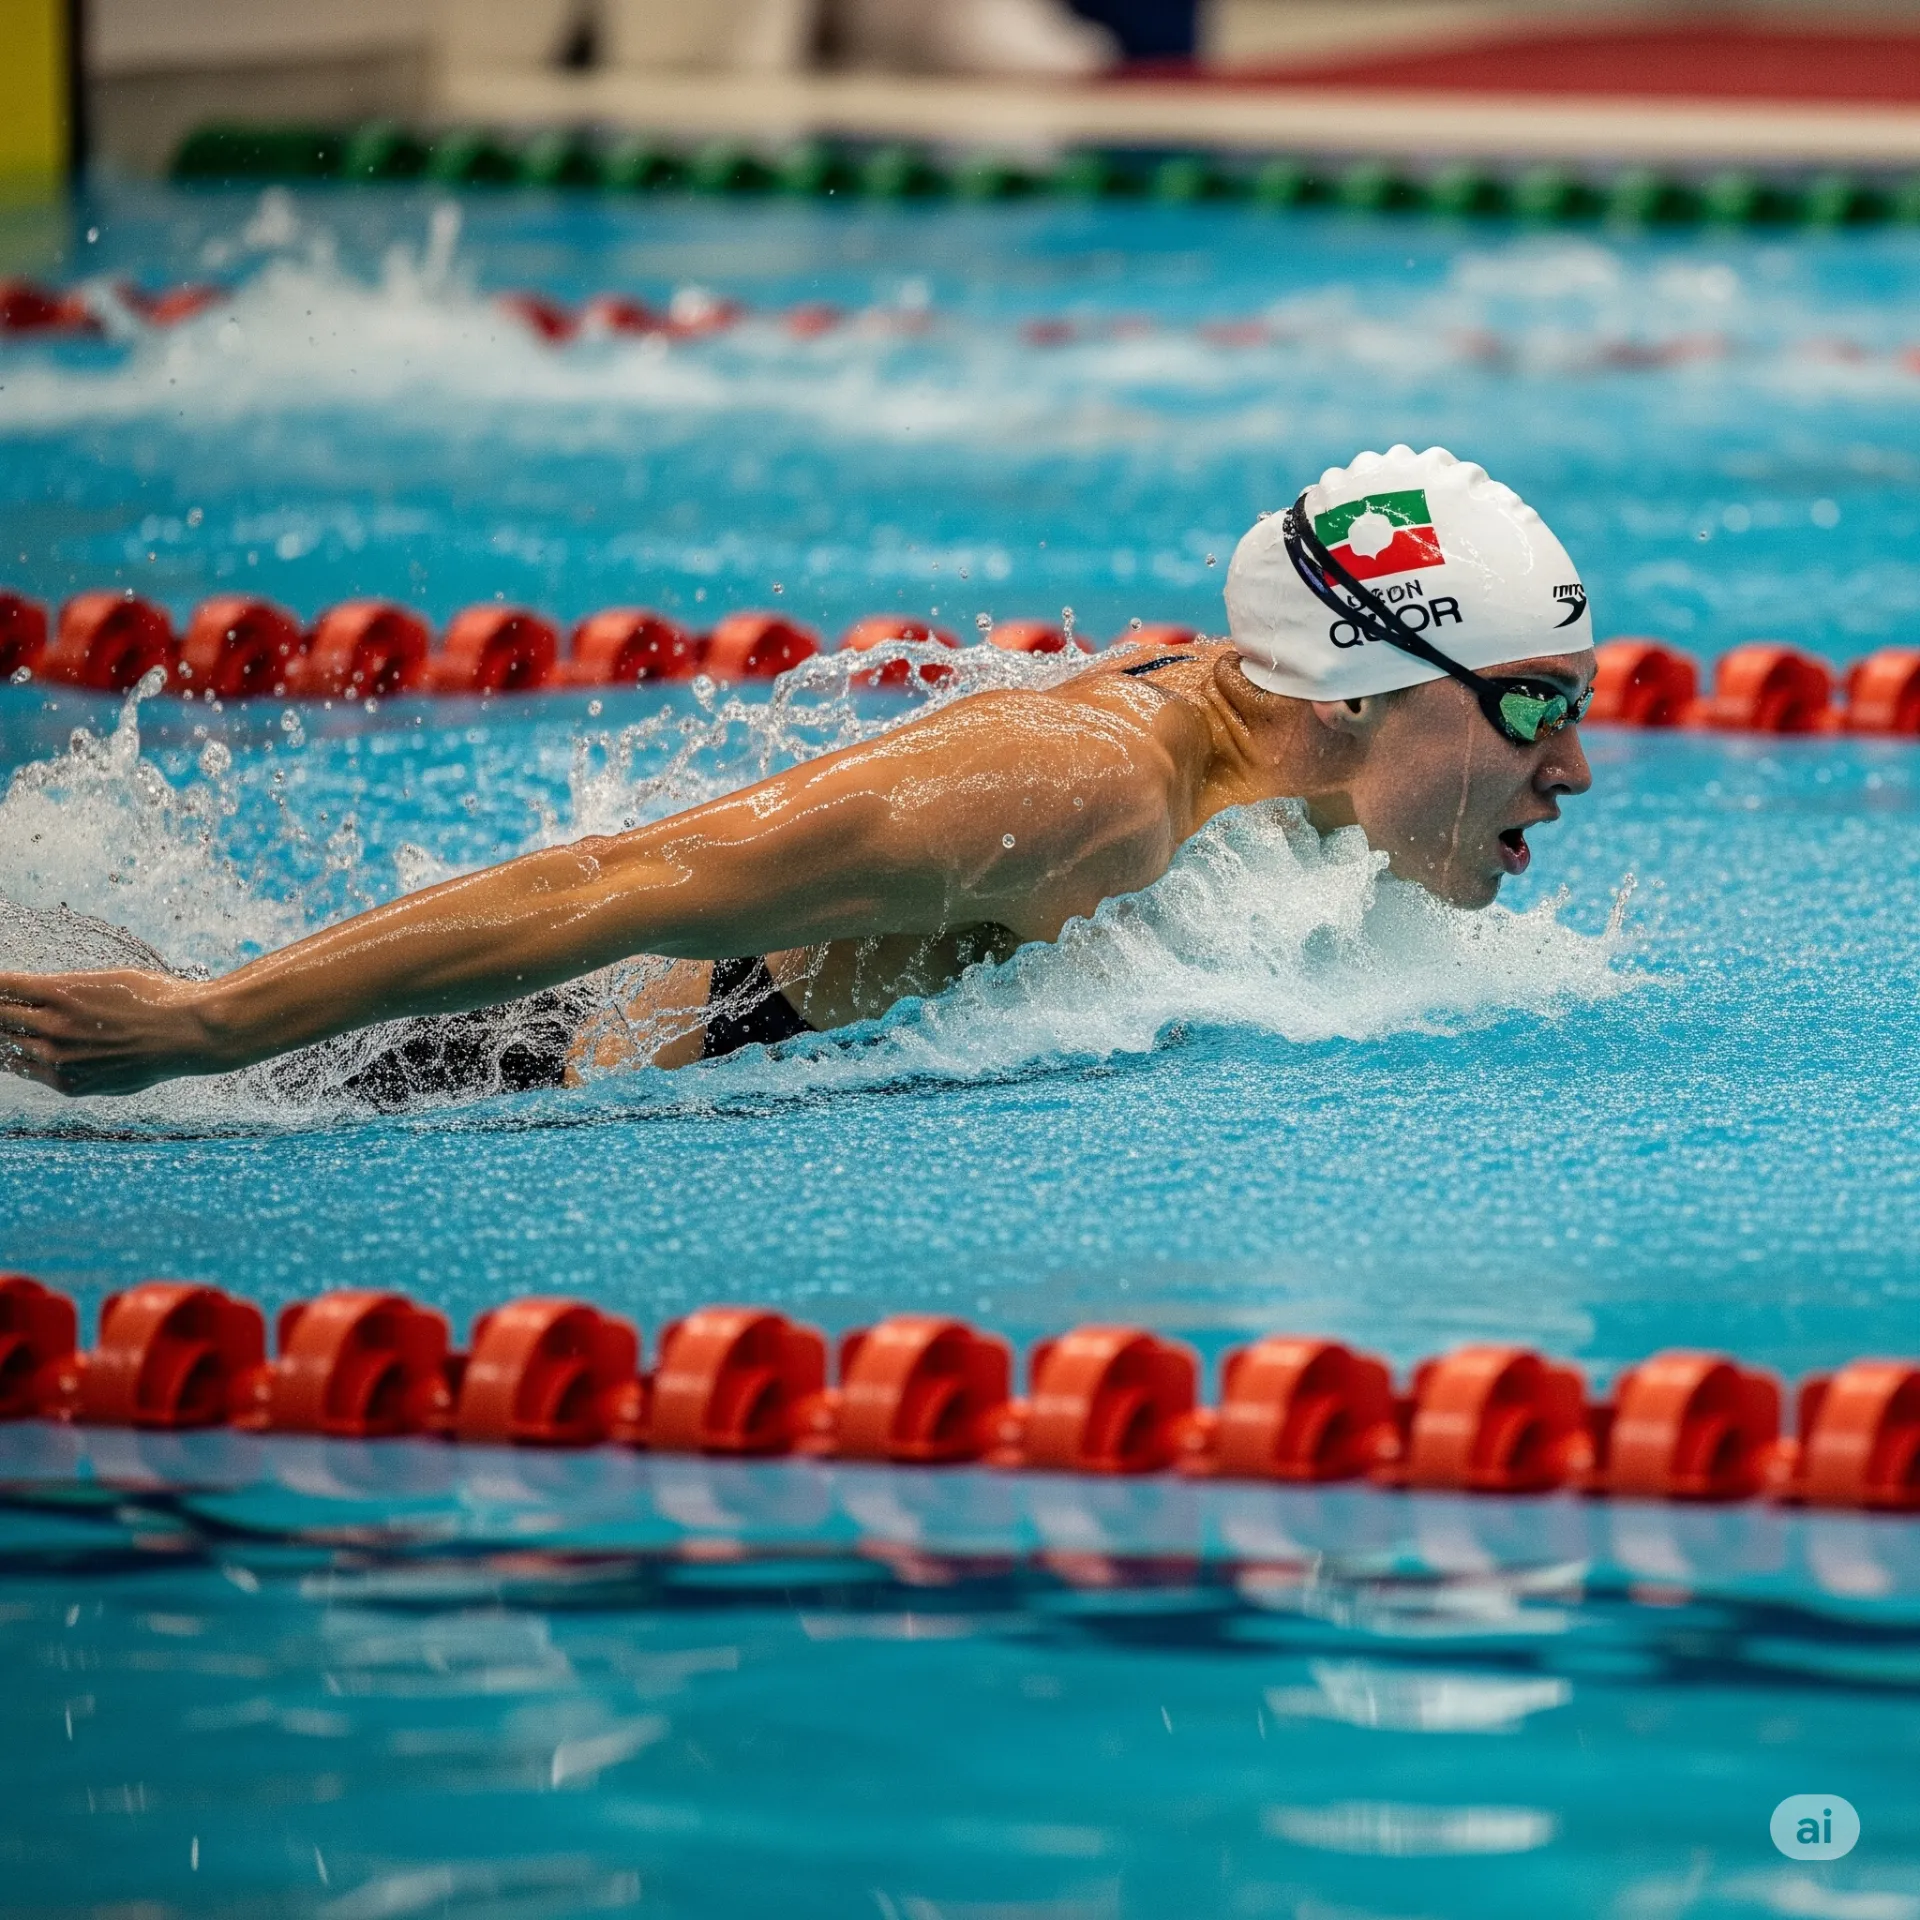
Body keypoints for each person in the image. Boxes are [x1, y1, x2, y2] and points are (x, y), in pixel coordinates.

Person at [0, 445, 1595, 1100]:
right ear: (1366, 693)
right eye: (1534, 713)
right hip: (470, 1074)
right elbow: (619, 882)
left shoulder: (1264, 740)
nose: (1576, 770)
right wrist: (208, 1031)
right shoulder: (1086, 792)